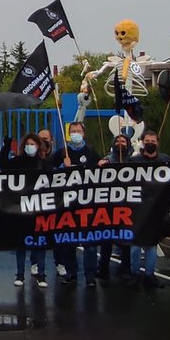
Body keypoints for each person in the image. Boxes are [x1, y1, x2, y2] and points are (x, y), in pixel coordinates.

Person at [54, 122, 102, 287]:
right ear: (68, 134)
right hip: (67, 205)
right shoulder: (62, 152)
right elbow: (48, 173)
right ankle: (71, 273)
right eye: (73, 131)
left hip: (87, 204)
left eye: (78, 131)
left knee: (90, 243)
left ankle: (90, 276)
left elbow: (100, 171)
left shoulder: (90, 152)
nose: (75, 133)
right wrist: (62, 166)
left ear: (83, 133)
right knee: (68, 242)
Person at [126, 130, 170, 289]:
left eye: (153, 141)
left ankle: (150, 275)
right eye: (148, 141)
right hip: (137, 208)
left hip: (155, 209)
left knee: (152, 244)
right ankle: (134, 274)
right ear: (142, 142)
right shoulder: (134, 161)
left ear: (157, 143)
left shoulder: (165, 160)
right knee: (135, 245)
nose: (150, 143)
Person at [5, 133, 50, 287]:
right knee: (21, 243)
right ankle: (20, 274)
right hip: (21, 207)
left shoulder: (43, 163)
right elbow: (3, 167)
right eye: (27, 144)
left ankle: (42, 274)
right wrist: (6, 147)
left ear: (38, 146)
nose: (30, 147)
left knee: (40, 243)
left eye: (33, 144)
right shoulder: (17, 161)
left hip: (39, 207)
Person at [97, 134, 134, 282]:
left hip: (127, 206)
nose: (120, 143)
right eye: (117, 141)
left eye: (123, 141)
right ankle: (103, 268)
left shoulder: (133, 160)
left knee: (125, 239)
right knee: (106, 238)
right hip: (109, 206)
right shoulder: (108, 159)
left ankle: (126, 269)